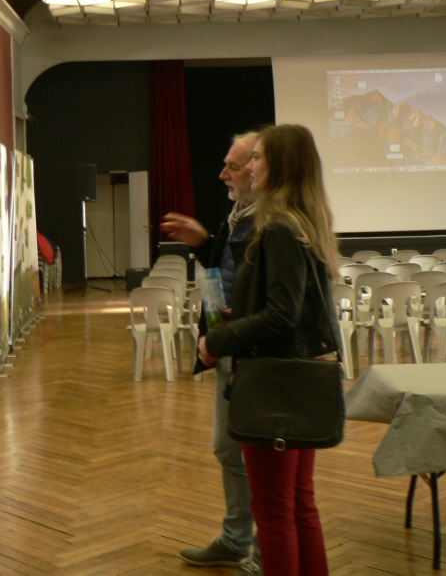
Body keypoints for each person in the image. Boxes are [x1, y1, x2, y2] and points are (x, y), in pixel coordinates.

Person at [198, 124, 340, 576]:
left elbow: (282, 316)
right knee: (299, 505)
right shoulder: (304, 223)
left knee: (276, 512)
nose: (249, 166)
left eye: (257, 157)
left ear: (280, 165)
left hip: (274, 379)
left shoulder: (278, 228)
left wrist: (215, 341)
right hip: (298, 375)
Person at [161, 131, 261, 575]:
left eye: (234, 166)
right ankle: (237, 539)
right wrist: (204, 243)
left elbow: (270, 304)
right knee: (227, 450)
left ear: (260, 171)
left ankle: (263, 549)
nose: (222, 174)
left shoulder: (271, 224)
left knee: (261, 461)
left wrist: (223, 339)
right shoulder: (240, 214)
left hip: (256, 358)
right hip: (229, 352)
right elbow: (225, 275)